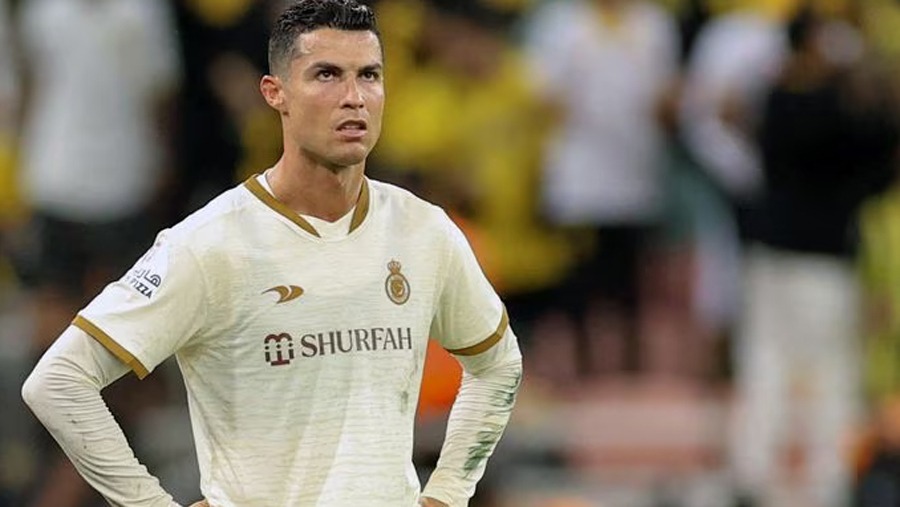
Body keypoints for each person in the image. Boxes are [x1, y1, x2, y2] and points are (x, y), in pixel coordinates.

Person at [20, 1, 523, 506]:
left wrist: (447, 494)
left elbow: (498, 364)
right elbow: (59, 382)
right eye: (326, 75)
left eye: (369, 75)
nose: (353, 97)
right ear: (275, 92)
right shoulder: (211, 242)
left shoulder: (423, 230)